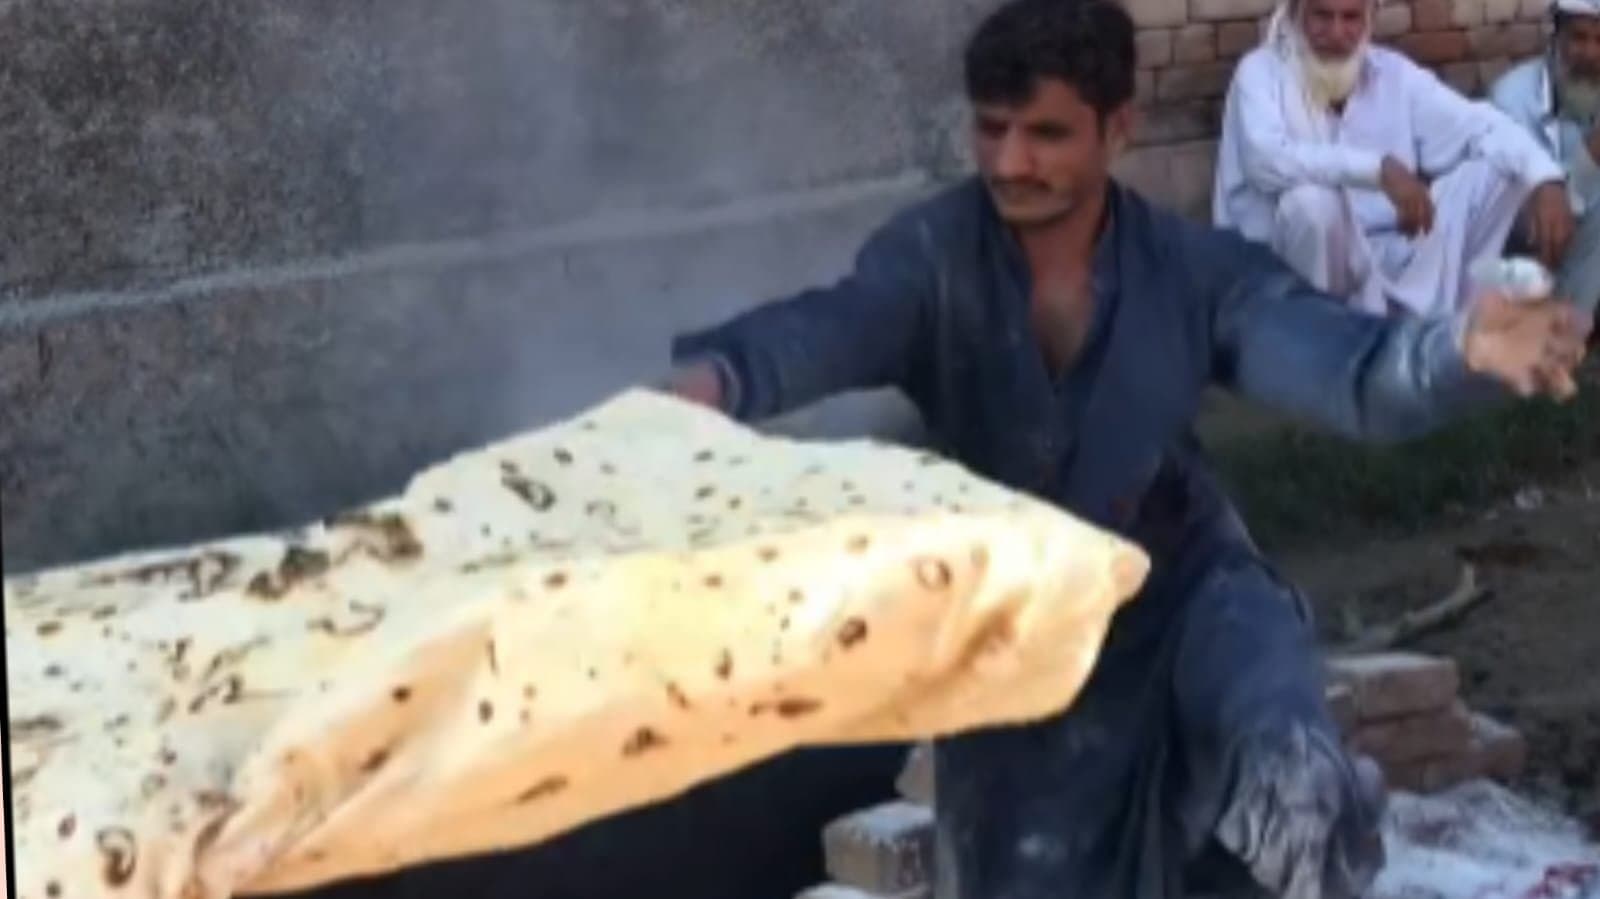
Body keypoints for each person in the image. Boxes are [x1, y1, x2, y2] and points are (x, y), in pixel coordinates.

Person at [658, 0, 1591, 895]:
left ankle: (1320, 816)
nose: (1011, 162)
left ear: (1116, 131)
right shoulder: (934, 259)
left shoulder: (1189, 272)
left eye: (1047, 134)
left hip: (1192, 594)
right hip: (1028, 633)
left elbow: (1348, 372)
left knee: (1293, 792)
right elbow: (835, 323)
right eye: (993, 129)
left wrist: (1458, 349)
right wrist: (722, 380)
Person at [1213, 0, 1573, 319]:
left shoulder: (1393, 74)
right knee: (1312, 205)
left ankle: (1449, 332)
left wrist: (1545, 179)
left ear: (1370, 17)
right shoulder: (1259, 73)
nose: (1337, 33)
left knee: (1501, 168)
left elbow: (1479, 125)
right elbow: (1267, 161)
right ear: (1295, 14)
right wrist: (1377, 169)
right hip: (1286, 268)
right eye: (1322, 16)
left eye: (1351, 17)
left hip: (1392, 253)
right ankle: (1319, 346)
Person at [1490, 0, 1600, 315]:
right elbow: (1537, 220)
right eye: (1579, 38)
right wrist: (1593, 153)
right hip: (1525, 245)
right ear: (1556, 38)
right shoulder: (1513, 99)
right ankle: (1563, 336)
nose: (1591, 54)